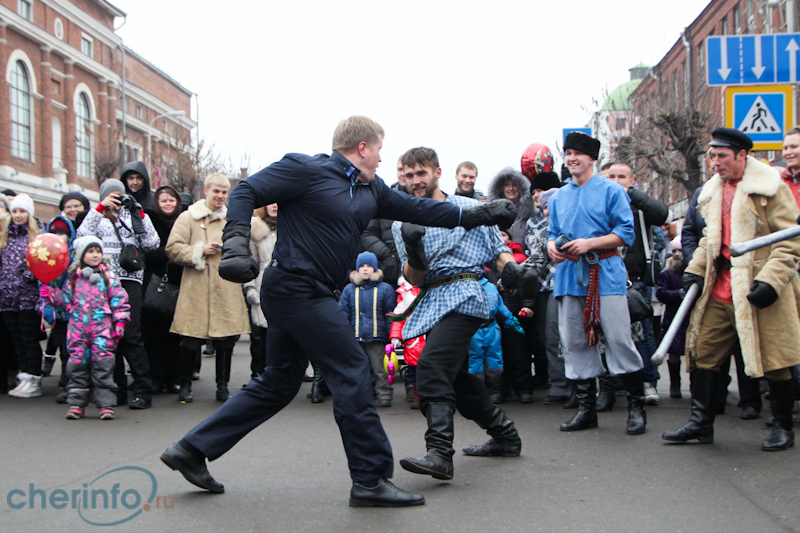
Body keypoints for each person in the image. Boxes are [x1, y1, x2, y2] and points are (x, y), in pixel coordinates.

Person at [159, 116, 516, 508]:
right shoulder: (306, 169)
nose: (383, 158)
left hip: (315, 293)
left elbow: (422, 210)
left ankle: (191, 450)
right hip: (294, 287)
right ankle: (369, 479)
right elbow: (247, 190)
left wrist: (481, 214)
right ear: (362, 147)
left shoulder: (371, 189)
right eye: (380, 149)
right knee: (353, 371)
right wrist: (236, 243)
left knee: (279, 382)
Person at [393, 146, 534, 481]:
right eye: (409, 174)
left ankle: (440, 453)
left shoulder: (471, 208)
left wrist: (515, 274)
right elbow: (413, 278)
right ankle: (505, 434)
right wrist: (414, 249)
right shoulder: (402, 223)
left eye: (421, 173)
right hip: (433, 298)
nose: (415, 180)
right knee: (455, 377)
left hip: (468, 294)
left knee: (431, 365)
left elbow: (498, 254)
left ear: (437, 172)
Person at [663, 128, 800, 451]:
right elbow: (711, 240)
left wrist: (770, 281)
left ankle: (783, 426)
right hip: (721, 288)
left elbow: (789, 239)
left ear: (742, 156)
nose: (715, 163)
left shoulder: (770, 187)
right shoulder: (712, 191)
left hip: (760, 285)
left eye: (722, 156)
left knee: (776, 359)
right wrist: (694, 271)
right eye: (712, 156)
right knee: (705, 353)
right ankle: (701, 423)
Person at [547, 132, 648, 435]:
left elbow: (625, 233)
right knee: (574, 341)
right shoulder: (558, 196)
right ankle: (586, 410)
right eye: (568, 153)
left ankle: (636, 407)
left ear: (592, 158)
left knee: (618, 339)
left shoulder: (612, 191)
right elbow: (552, 233)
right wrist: (551, 246)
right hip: (569, 275)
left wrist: (590, 244)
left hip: (605, 271)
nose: (572, 158)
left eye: (578, 153)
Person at [166, 173, 250, 402]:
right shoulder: (187, 217)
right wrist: (199, 250)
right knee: (190, 339)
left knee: (226, 340)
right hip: (197, 288)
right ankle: (185, 385)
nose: (221, 196)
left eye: (224, 192)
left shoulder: (232, 219)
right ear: (206, 191)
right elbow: (172, 248)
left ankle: (222, 387)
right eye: (216, 191)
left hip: (226, 288)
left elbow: (245, 248)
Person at [76, 178, 160, 409]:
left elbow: (152, 243)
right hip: (103, 282)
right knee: (109, 336)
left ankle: (143, 389)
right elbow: (81, 238)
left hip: (130, 280)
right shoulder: (97, 216)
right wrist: (100, 209)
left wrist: (139, 214)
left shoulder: (134, 215)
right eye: (111, 195)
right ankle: (117, 389)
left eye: (119, 195)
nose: (116, 199)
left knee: (131, 334)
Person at [39, 236, 130, 420]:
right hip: (78, 329)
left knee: (103, 365)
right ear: (81, 255)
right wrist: (52, 295)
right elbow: (66, 302)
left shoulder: (108, 277)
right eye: (90, 251)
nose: (95, 255)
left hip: (102, 330)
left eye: (98, 251)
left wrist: (119, 323)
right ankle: (77, 403)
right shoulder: (74, 278)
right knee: (77, 365)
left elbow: (120, 301)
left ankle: (105, 404)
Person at [607, 162, 670, 405]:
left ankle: (648, 382)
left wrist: (631, 194)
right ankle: (618, 383)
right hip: (607, 277)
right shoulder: (600, 201)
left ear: (632, 180)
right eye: (611, 176)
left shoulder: (639, 205)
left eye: (621, 176)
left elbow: (663, 213)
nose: (616, 180)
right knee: (613, 335)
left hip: (635, 279)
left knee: (642, 333)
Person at [142, 186, 188, 399]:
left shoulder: (185, 220)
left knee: (176, 336)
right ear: (157, 203)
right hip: (155, 283)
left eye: (171, 200)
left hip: (181, 283)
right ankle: (156, 377)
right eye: (163, 200)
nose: (168, 204)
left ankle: (174, 379)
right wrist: (167, 254)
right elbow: (147, 250)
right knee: (154, 336)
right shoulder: (150, 221)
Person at [524, 188, 569, 405]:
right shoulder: (537, 226)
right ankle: (559, 384)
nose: (548, 211)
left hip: (572, 285)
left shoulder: (573, 221)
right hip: (545, 286)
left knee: (575, 338)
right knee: (550, 338)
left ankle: (582, 387)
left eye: (552, 205)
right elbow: (535, 257)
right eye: (544, 207)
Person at [339, 251, 397, 407]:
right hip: (355, 337)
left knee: (380, 369)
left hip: (377, 337)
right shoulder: (349, 289)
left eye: (369, 266)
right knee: (359, 369)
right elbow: (343, 313)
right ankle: (362, 395)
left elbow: (390, 314)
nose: (365, 269)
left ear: (375, 269)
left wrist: (393, 335)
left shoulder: (385, 289)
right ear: (357, 269)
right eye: (362, 266)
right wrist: (343, 335)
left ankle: (384, 394)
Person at [1, 194, 44, 398]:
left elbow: (41, 263)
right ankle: (23, 376)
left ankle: (34, 377)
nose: (18, 215)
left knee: (28, 338)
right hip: (7, 297)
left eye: (22, 211)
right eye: (15, 211)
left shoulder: (36, 237)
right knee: (16, 339)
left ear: (29, 214)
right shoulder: (5, 237)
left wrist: (27, 276)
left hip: (27, 295)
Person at [468, 274, 525, 397]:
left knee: (495, 359)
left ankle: (492, 388)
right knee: (475, 359)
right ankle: (477, 390)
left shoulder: (491, 287)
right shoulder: (465, 286)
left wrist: (512, 323)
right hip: (473, 329)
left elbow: (501, 307)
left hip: (491, 328)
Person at [39, 216, 77, 394]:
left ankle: (76, 382)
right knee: (63, 350)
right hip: (58, 315)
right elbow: (43, 287)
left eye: (63, 233)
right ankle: (65, 383)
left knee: (74, 351)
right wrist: (49, 314)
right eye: (55, 233)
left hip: (75, 314)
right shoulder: (46, 258)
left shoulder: (75, 258)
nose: (60, 237)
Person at [243, 203, 278, 380]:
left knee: (284, 334)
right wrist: (249, 287)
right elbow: (250, 261)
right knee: (259, 336)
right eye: (271, 202)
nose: (275, 206)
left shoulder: (292, 225)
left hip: (285, 285)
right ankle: (258, 373)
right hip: (260, 284)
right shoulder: (256, 228)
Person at [656, 237, 687, 399]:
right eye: (674, 251)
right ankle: (675, 385)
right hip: (672, 316)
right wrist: (679, 294)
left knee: (693, 353)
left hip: (689, 317)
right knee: (674, 353)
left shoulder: (690, 272)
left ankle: (696, 385)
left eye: (680, 250)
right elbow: (661, 293)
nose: (676, 254)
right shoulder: (667, 274)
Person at [487, 167, 534, 253]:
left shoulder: (530, 214)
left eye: (514, 184)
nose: (511, 188)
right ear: (500, 188)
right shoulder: (492, 215)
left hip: (523, 263)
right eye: (506, 184)